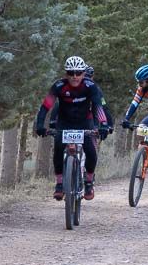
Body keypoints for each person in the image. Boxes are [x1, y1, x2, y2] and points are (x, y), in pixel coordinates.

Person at [35, 55, 109, 201]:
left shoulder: (90, 86)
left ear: (83, 73)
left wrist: (104, 124)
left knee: (91, 150)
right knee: (57, 148)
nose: (75, 76)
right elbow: (46, 106)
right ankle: (60, 183)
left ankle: (88, 181)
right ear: (66, 74)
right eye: (71, 73)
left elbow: (98, 106)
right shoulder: (59, 86)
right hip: (65, 122)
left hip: (84, 122)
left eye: (78, 73)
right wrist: (40, 125)